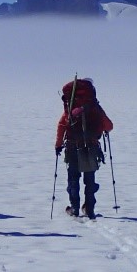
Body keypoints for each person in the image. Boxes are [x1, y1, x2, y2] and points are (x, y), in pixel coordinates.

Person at [55, 77, 113, 218]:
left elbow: (62, 126)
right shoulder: (95, 107)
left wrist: (58, 145)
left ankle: (74, 208)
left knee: (73, 178)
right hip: (91, 148)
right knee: (90, 179)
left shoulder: (70, 109)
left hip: (72, 147)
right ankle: (89, 208)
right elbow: (109, 126)